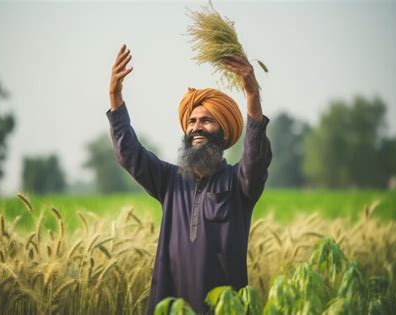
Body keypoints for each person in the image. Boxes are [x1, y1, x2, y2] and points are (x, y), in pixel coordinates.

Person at [107, 44, 272, 314]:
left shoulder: (239, 183)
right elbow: (129, 154)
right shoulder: (170, 181)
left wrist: (252, 94)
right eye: (192, 121)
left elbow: (255, 156)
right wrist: (115, 96)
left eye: (207, 121)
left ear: (224, 131)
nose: (197, 127)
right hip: (170, 307)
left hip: (223, 309)